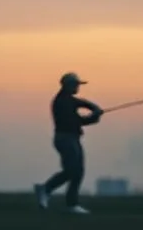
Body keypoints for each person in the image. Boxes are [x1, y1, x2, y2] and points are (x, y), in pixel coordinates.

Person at [35, 72, 103, 214]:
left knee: (76, 171)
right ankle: (48, 190)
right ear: (68, 85)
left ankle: (68, 202)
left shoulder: (68, 100)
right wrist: (94, 116)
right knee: (73, 170)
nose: (78, 87)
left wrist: (94, 112)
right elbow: (75, 121)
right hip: (65, 138)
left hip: (72, 138)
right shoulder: (62, 101)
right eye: (76, 84)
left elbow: (83, 104)